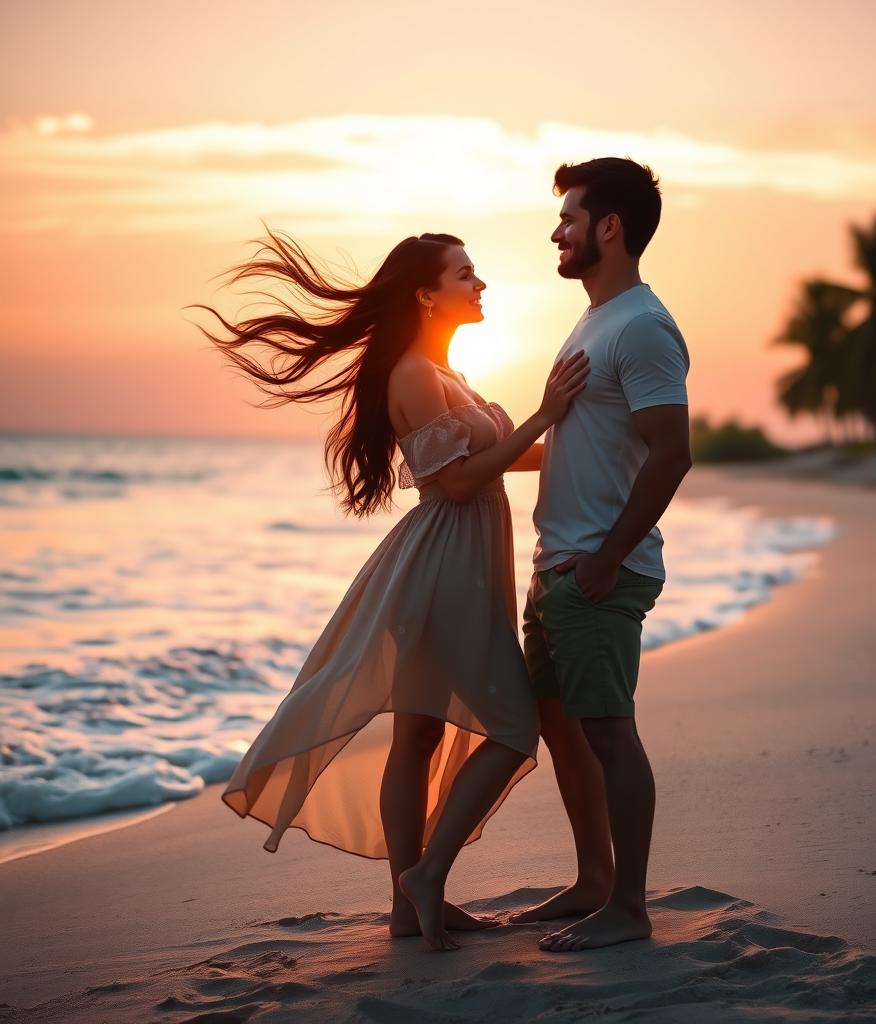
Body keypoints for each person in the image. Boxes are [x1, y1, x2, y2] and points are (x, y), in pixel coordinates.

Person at [191, 229, 588, 951]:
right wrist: (543, 413)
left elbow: (501, 459)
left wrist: (585, 439)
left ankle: (409, 902)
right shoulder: (412, 373)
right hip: (442, 570)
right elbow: (461, 481)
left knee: (421, 730)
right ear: (426, 293)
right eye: (466, 274)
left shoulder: (446, 372)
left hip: (463, 563)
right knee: (510, 726)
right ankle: (425, 876)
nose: (481, 284)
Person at [510, 158, 692, 951]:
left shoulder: (643, 326)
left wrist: (608, 558)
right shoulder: (594, 319)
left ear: (608, 228)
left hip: (597, 570)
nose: (558, 230)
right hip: (561, 563)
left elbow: (671, 452)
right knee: (559, 723)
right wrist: (471, 456)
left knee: (609, 730)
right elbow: (581, 444)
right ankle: (592, 879)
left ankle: (628, 906)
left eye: (570, 217)